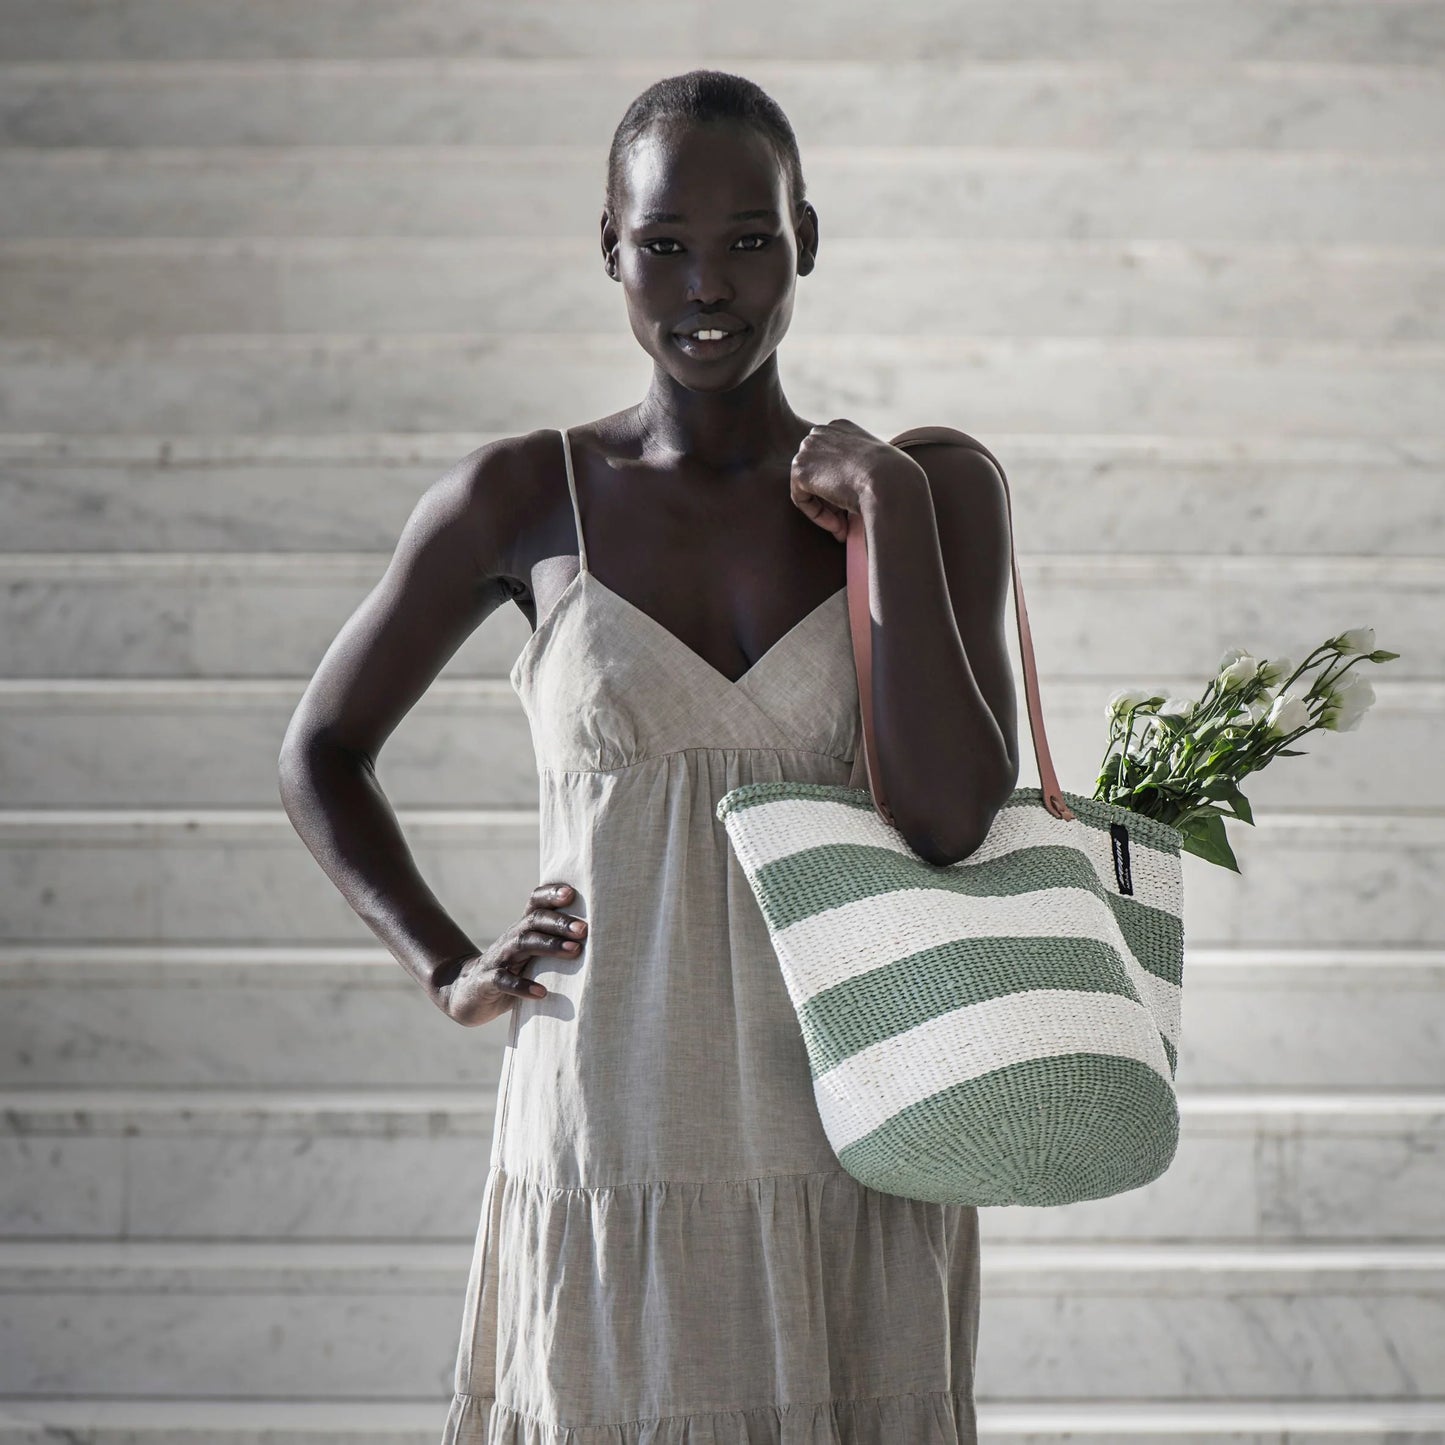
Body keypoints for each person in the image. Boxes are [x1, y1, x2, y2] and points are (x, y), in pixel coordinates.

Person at [279, 67, 1019, 1445]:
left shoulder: (924, 490)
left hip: (853, 1127)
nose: (707, 287)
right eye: (664, 244)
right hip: (612, 1116)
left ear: (807, 238)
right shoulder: (521, 496)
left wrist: (887, 512)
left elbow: (946, 816)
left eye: (748, 240)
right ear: (608, 247)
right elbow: (321, 750)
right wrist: (448, 966)